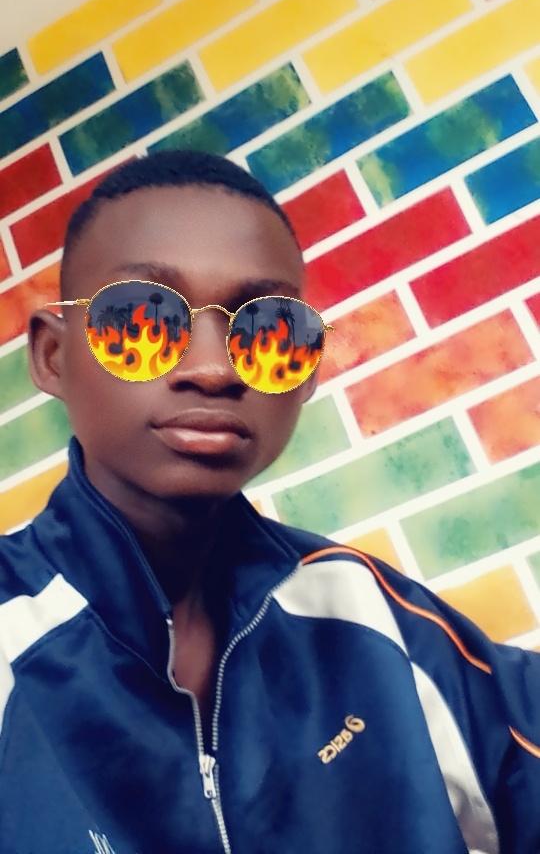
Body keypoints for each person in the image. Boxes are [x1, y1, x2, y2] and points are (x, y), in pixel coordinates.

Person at [1, 149, 538, 854]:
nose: (212, 368)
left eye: (268, 332)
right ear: (52, 357)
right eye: (140, 322)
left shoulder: (366, 612)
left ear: (308, 374)